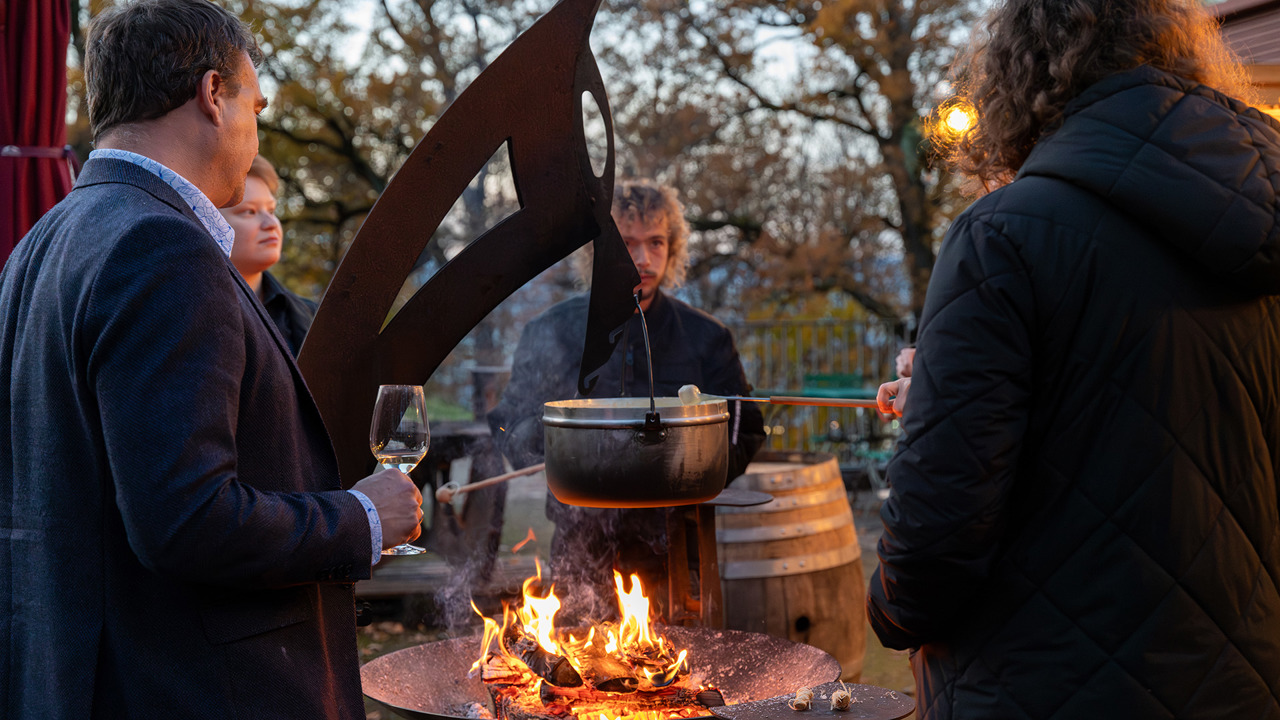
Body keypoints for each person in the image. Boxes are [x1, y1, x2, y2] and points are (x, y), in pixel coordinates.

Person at [0, 1, 423, 718]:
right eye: (254, 103)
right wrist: (362, 517)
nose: (254, 127)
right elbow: (186, 521)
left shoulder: (40, 242)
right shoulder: (161, 248)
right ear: (212, 94)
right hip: (190, 689)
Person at [866, 0, 1280, 717]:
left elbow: (936, 537)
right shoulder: (1264, 227)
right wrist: (952, 395)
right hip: (1241, 685)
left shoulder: (1004, 236)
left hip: (1042, 687)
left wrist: (891, 614)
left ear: (1020, 73)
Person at [489, 179, 766, 620]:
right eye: (627, 243)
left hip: (676, 554)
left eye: (656, 242)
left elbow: (745, 428)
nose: (642, 258)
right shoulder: (550, 332)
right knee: (575, 680)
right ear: (599, 249)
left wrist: (693, 477)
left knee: (679, 679)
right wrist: (563, 453)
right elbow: (510, 422)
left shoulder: (707, 338)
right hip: (578, 549)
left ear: (671, 248)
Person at [219, 154, 315, 356]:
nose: (270, 224)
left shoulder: (315, 317)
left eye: (271, 210)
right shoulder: (192, 315)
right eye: (250, 212)